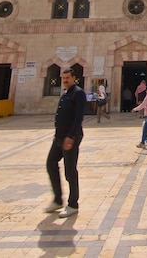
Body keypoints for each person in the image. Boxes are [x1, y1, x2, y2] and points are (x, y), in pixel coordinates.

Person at [45, 68, 85, 218]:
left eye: (68, 77)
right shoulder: (66, 93)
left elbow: (79, 117)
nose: (65, 80)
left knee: (70, 170)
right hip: (59, 137)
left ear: (74, 78)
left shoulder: (78, 93)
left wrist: (71, 136)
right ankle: (57, 199)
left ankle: (73, 203)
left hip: (70, 137)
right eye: (63, 78)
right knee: (50, 164)